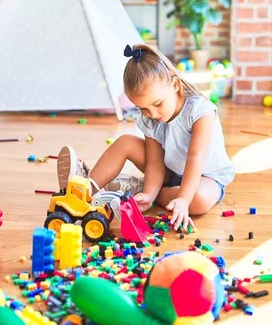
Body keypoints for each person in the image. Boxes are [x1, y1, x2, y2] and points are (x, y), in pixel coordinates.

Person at [57, 44, 235, 231]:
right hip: (170, 170)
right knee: (125, 142)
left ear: (175, 85)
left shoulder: (200, 111)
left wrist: (183, 199)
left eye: (157, 103)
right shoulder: (150, 117)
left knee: (197, 201)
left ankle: (137, 190)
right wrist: (149, 195)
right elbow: (155, 163)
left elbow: (195, 158)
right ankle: (83, 190)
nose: (151, 113)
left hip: (206, 177)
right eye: (142, 108)